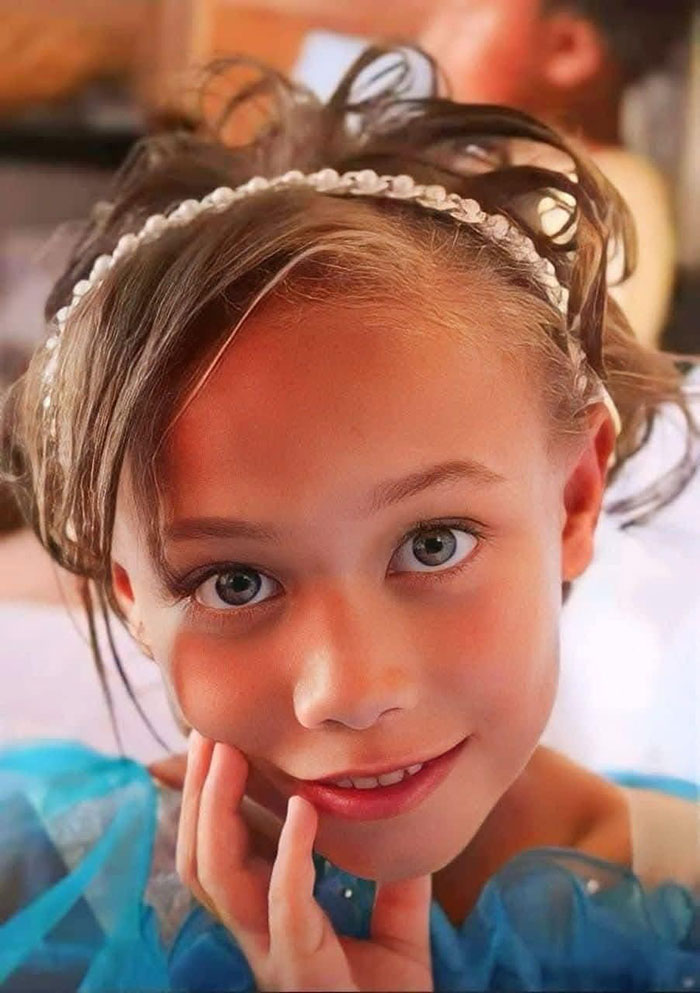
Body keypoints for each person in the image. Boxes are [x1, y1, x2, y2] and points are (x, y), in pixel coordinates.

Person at [0, 48, 698, 992]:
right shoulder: (32, 879)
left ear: (576, 495)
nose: (349, 691)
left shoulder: (679, 906)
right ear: (131, 595)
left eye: (432, 544)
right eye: (235, 582)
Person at [419, 0, 693, 350]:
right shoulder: (497, 173)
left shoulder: (595, 198)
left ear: (568, 49)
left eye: (465, 20)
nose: (430, 40)